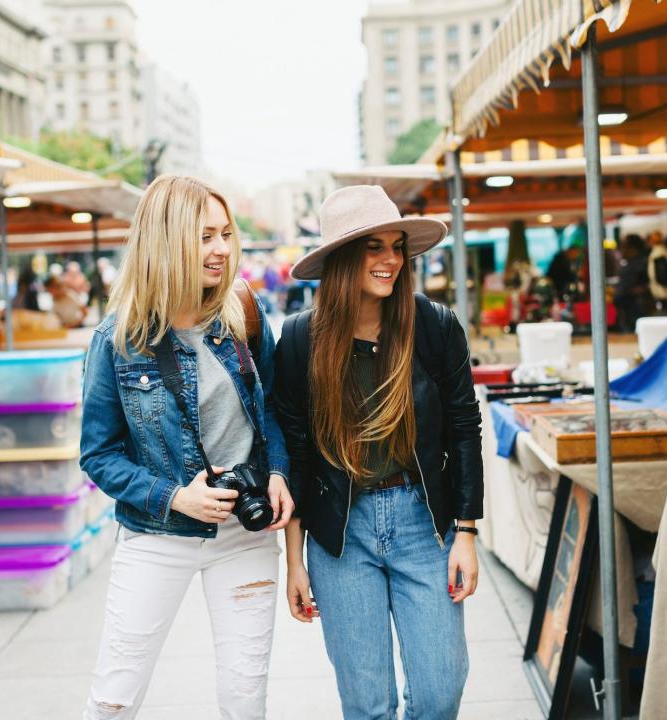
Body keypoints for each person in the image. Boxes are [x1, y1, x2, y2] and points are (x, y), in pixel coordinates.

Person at [80, 175, 293, 720]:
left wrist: (279, 475)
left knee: (246, 697)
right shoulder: (117, 340)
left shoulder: (242, 314)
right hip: (158, 534)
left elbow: (273, 408)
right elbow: (98, 455)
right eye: (205, 237)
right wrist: (176, 497)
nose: (222, 249)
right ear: (165, 240)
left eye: (225, 234)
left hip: (245, 534)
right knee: (114, 697)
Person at [274, 185, 484, 720]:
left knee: (440, 691)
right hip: (340, 537)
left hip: (424, 524)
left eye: (396, 246)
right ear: (342, 258)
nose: (391, 259)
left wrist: (467, 532)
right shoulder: (300, 341)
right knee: (367, 704)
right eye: (372, 247)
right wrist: (294, 561)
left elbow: (465, 428)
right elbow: (296, 456)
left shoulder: (434, 326)